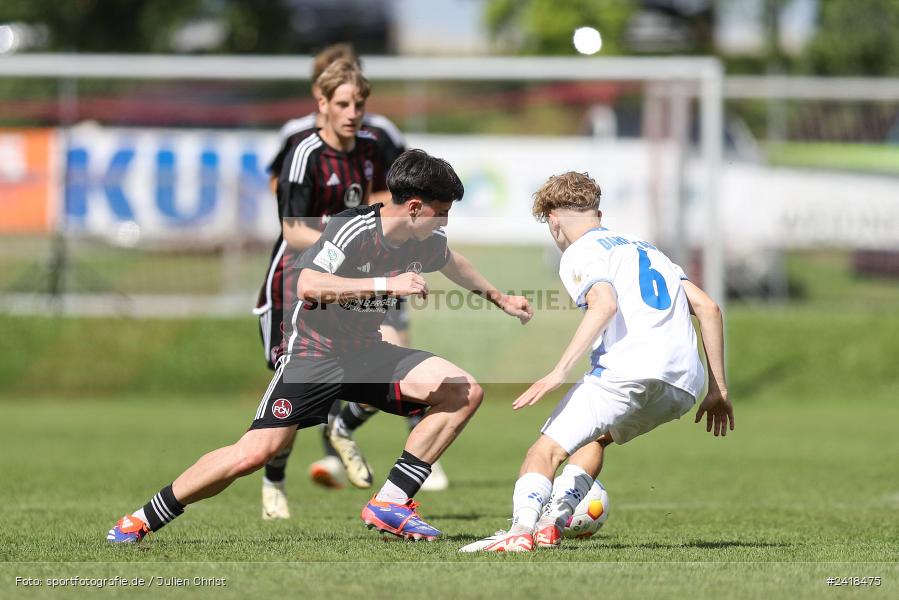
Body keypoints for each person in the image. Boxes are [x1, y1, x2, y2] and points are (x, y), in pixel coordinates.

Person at [106, 149, 533, 545]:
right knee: (254, 453)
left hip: (366, 354)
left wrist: (502, 299)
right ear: (415, 207)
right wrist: (386, 283)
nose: (444, 223)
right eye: (441, 213)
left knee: (462, 390)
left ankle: (390, 503)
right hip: (314, 356)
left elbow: (454, 262)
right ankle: (143, 518)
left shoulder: (423, 241)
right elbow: (309, 284)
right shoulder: (352, 228)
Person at [460, 171, 733, 553]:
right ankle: (552, 525)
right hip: (682, 385)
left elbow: (603, 304)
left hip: (626, 370)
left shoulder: (580, 251)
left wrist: (559, 371)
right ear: (598, 213)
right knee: (598, 435)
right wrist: (718, 390)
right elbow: (708, 307)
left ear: (553, 220)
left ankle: (520, 531)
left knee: (544, 452)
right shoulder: (648, 250)